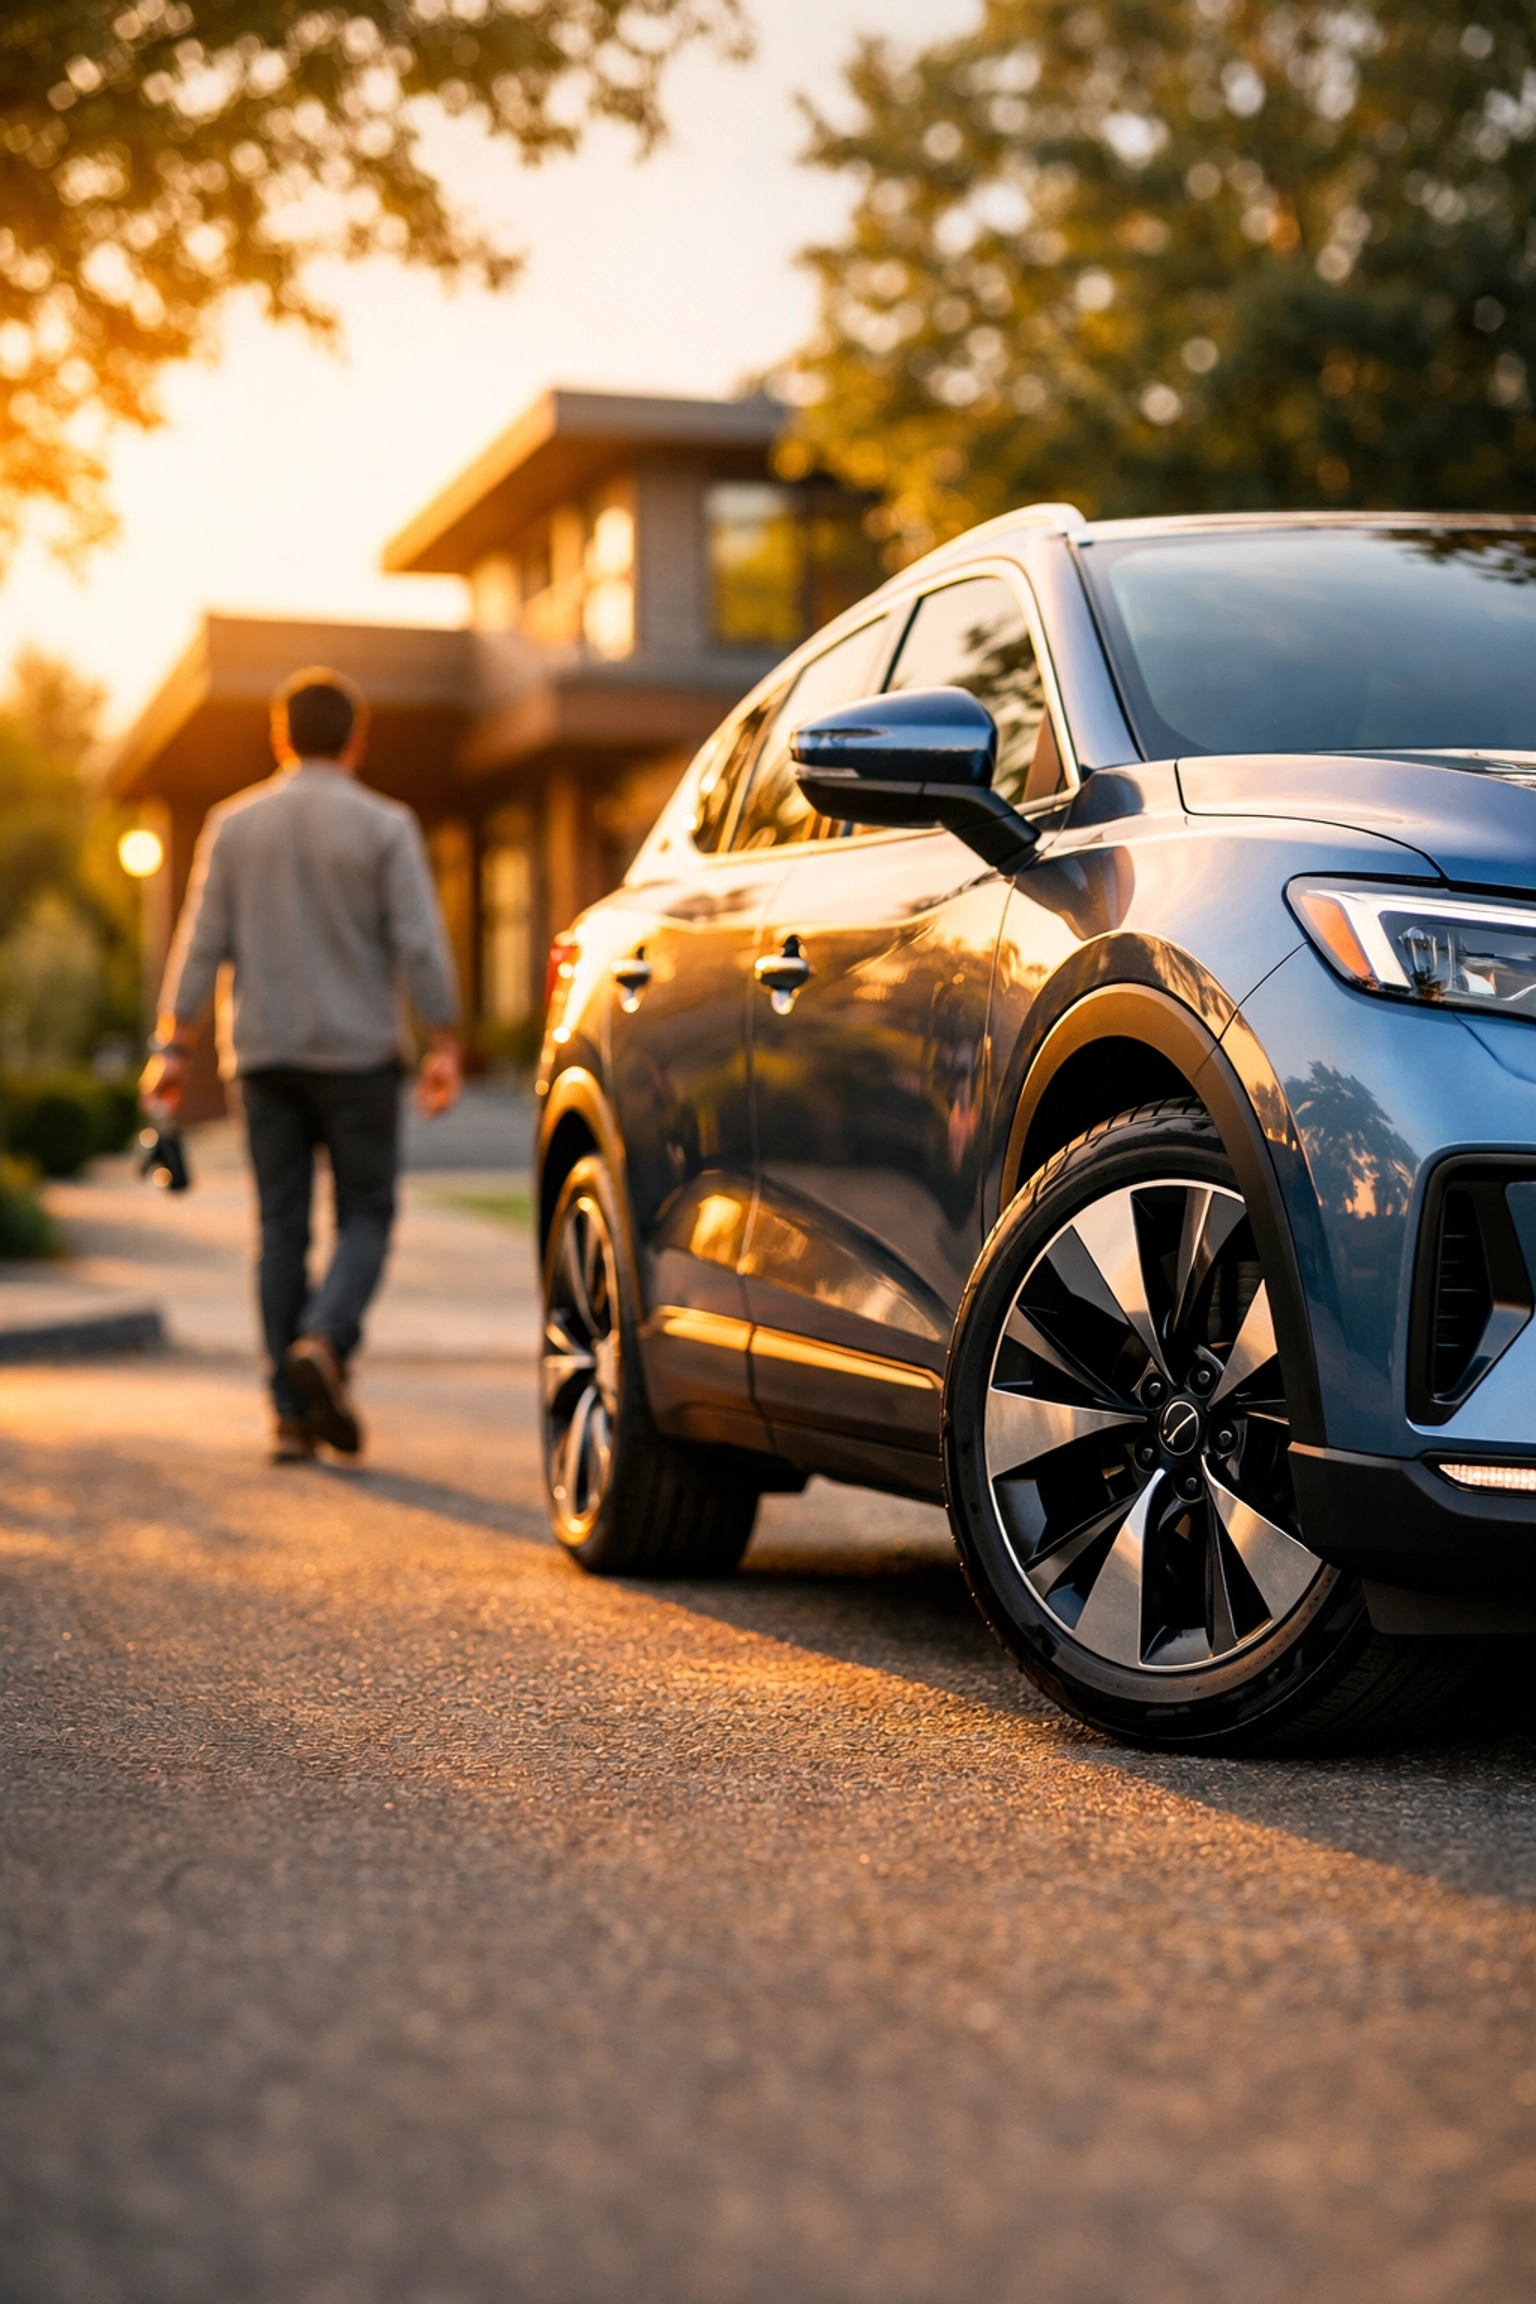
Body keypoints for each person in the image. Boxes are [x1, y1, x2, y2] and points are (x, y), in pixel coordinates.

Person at [140, 667, 461, 1463]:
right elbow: (419, 943)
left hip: (264, 1056)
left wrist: (172, 1049)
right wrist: (446, 1042)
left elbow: (200, 942)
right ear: (357, 741)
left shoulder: (233, 825)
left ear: (280, 737)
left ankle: (289, 1414)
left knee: (279, 1228)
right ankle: (325, 1339)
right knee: (366, 1214)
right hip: (361, 1056)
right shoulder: (386, 826)